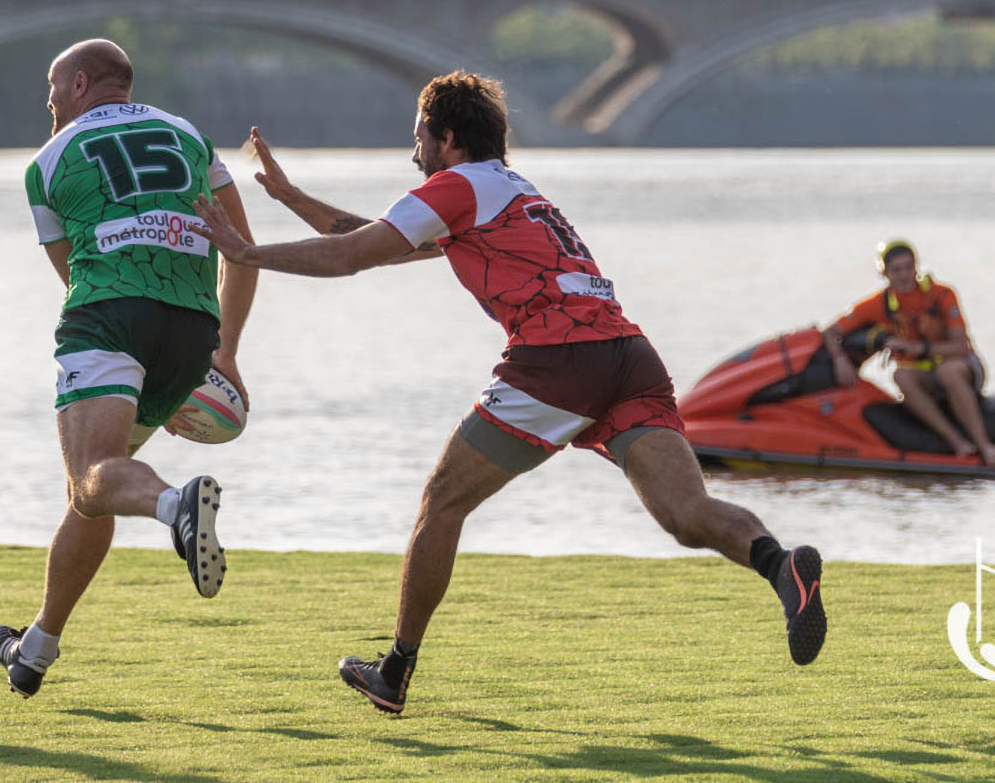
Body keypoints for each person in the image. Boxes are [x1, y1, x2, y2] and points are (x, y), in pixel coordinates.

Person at [192, 73, 826, 716]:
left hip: (558, 359)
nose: (413, 153)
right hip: (629, 356)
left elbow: (353, 255)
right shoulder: (513, 193)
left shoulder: (456, 187)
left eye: (419, 138)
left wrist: (245, 252)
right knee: (687, 514)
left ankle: (395, 671)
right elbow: (373, 242)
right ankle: (782, 565)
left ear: (448, 139)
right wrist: (288, 193)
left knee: (441, 503)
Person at [0, 38, 258, 697]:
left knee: (90, 479)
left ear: (80, 84)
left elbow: (72, 273)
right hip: (193, 328)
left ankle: (176, 506)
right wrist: (226, 351)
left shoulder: (47, 162)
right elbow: (241, 251)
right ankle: (36, 649)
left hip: (108, 316)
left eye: (53, 89)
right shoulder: (190, 135)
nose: (48, 103)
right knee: (100, 489)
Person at [822, 239, 995, 467]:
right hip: (924, 378)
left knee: (948, 371)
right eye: (897, 270)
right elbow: (829, 332)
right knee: (900, 375)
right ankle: (957, 442)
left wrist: (920, 349)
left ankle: (984, 445)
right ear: (885, 273)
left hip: (962, 369)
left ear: (916, 267)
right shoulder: (879, 303)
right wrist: (839, 359)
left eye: (909, 267)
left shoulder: (941, 294)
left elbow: (961, 348)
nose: (904, 275)